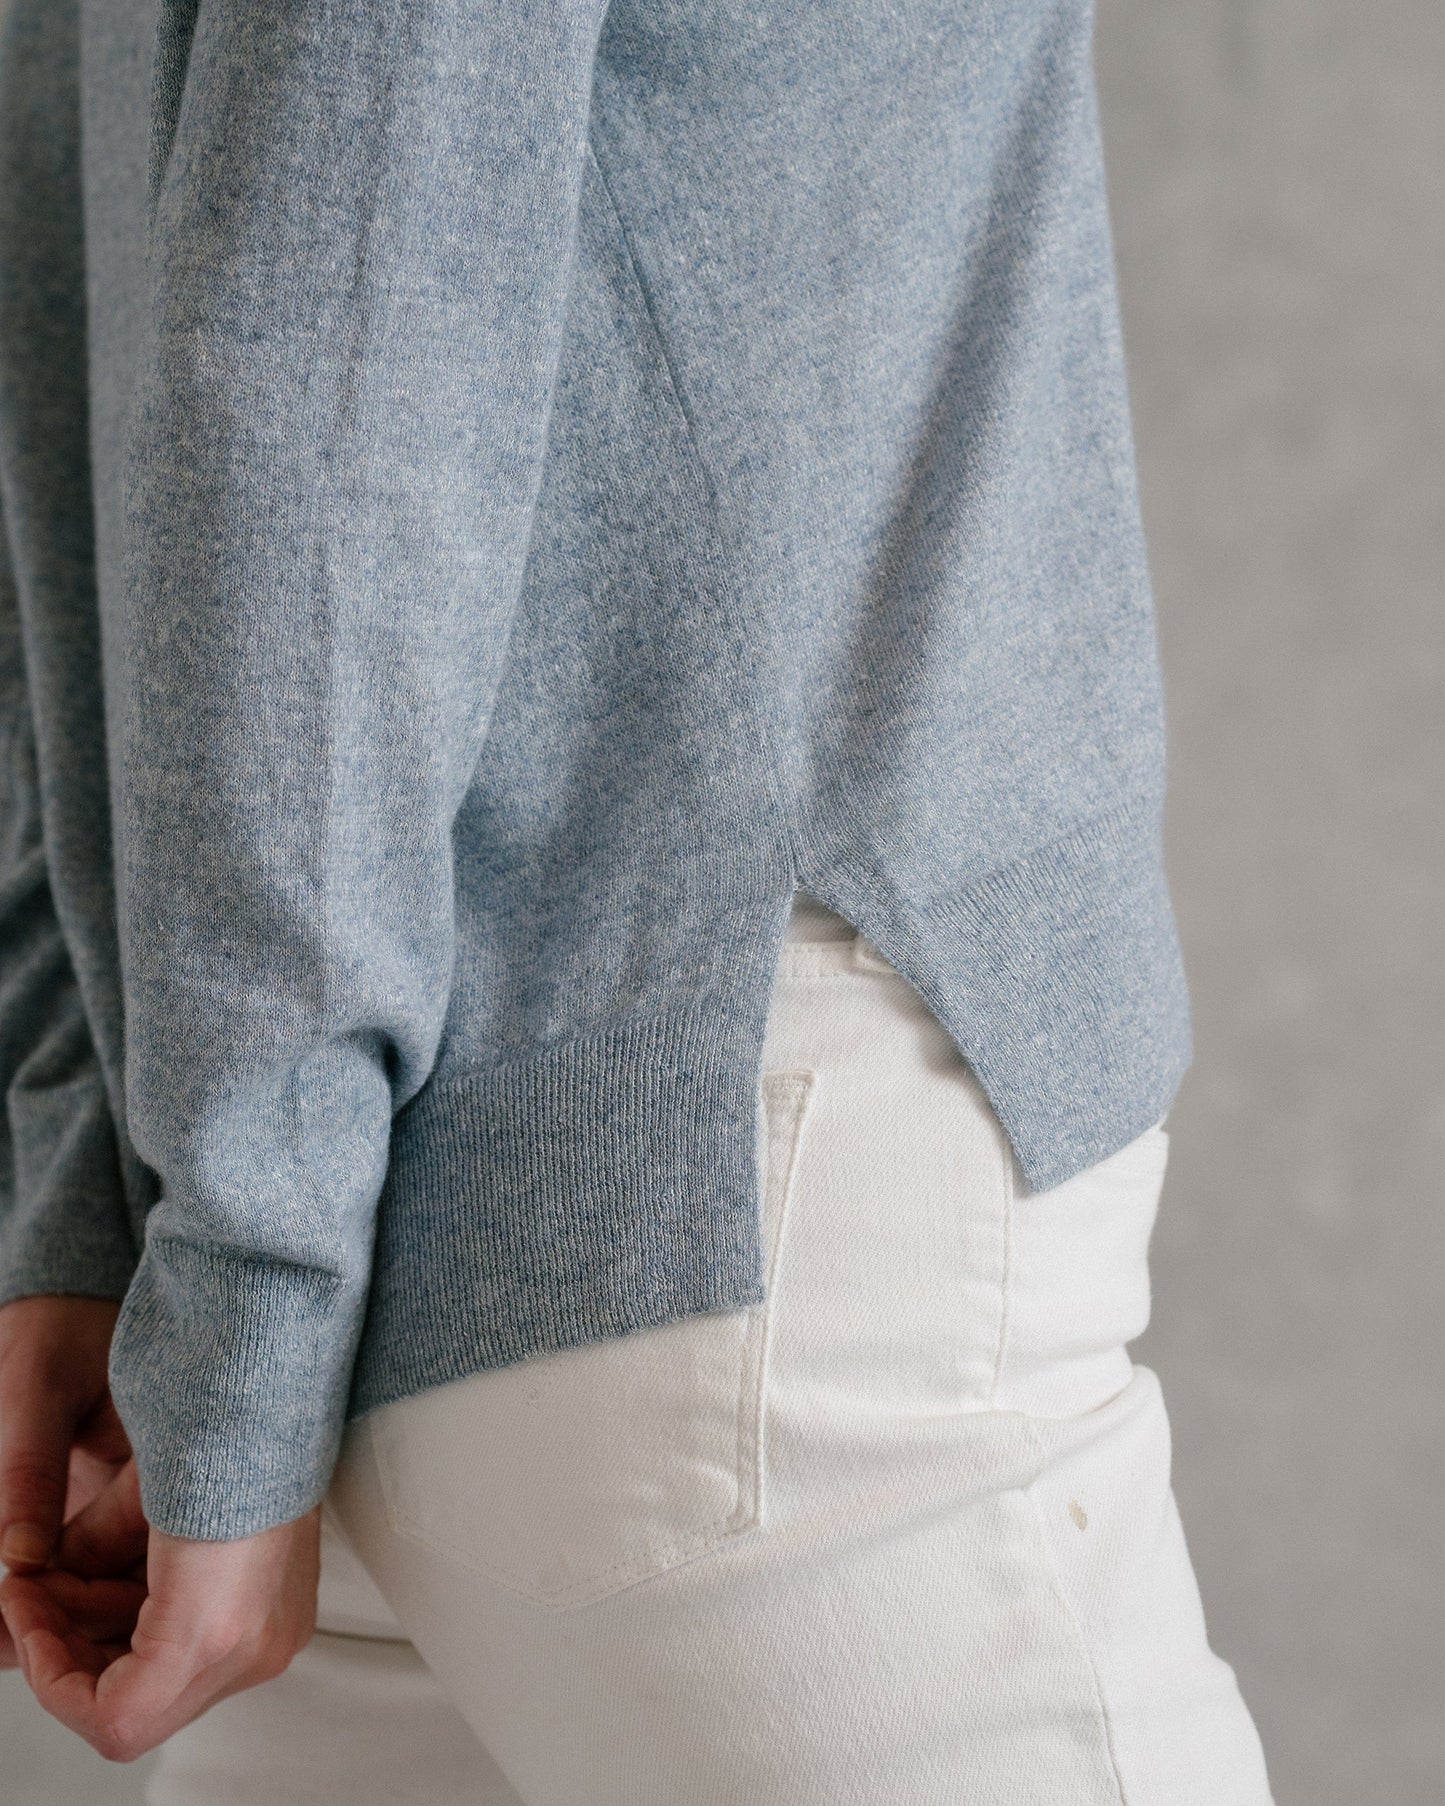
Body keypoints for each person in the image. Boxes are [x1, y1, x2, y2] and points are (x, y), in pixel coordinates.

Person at [0, 0, 1274, 1799]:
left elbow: (79, 320)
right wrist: (229, 1278)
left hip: (333, 1247)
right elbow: (323, 358)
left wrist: (108, 1188)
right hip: (721, 1210)